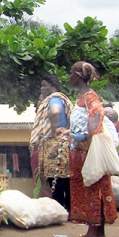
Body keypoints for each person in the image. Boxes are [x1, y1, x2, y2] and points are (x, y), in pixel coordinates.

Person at [64, 61, 117, 237]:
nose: (68, 76)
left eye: (71, 72)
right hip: (86, 149)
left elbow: (97, 114)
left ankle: (91, 235)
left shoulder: (89, 97)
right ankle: (99, 232)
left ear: (78, 76)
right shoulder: (84, 98)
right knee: (98, 187)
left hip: (86, 151)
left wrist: (84, 136)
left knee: (90, 188)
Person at [29, 75, 74, 211]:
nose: (42, 88)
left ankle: (60, 209)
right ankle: (67, 210)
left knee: (57, 180)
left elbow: (55, 112)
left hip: (54, 143)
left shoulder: (55, 99)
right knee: (62, 179)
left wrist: (54, 130)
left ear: (52, 85)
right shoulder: (57, 99)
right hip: (62, 144)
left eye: (44, 85)